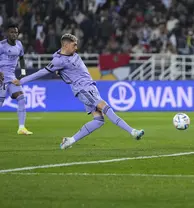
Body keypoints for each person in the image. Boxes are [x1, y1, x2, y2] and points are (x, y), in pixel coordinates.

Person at [12, 34, 144, 149]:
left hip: (91, 87)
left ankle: (69, 140)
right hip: (83, 89)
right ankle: (133, 132)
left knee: (98, 120)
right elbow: (42, 72)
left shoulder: (66, 54)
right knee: (105, 106)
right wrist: (22, 81)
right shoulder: (58, 61)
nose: (76, 48)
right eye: (74, 45)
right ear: (66, 45)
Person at [0, 24, 32, 135]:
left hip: (12, 78)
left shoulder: (19, 45)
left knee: (21, 98)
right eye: (12, 32)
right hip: (2, 78)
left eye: (16, 32)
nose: (14, 34)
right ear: (7, 34)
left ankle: (21, 128)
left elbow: (22, 59)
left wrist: (22, 74)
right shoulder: (1, 45)